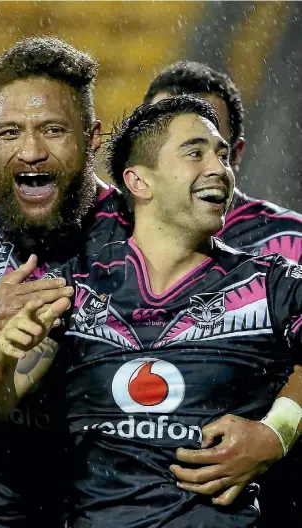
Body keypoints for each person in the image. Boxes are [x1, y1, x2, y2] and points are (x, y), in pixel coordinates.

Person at [0, 96, 301, 527]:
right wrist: (0, 356)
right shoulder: (71, 290)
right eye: (195, 152)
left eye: (222, 155)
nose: (219, 168)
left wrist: (276, 432)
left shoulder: (270, 284)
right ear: (139, 182)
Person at [0, 36, 132, 527]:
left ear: (93, 138)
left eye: (52, 130)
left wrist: (279, 430)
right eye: (9, 132)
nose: (30, 151)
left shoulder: (153, 237)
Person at [143, 61, 302, 523]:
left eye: (204, 144)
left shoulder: (289, 244)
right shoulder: (105, 239)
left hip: (267, 494)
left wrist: (275, 432)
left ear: (233, 154)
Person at [144, 61, 302, 264]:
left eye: (197, 151)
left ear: (235, 154)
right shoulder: (108, 242)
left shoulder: (292, 244)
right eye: (165, 144)